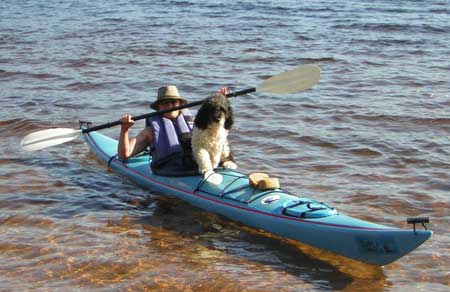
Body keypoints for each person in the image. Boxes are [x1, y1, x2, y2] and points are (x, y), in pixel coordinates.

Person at [118, 85, 228, 176]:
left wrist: (220, 103)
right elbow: (124, 154)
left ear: (180, 104)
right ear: (159, 107)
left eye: (173, 102)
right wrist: (124, 130)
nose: (170, 105)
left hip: (198, 167)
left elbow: (219, 131)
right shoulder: (150, 131)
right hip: (170, 171)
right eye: (165, 102)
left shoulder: (195, 122)